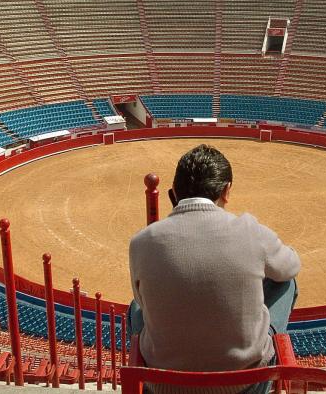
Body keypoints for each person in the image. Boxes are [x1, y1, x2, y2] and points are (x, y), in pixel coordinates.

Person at [128, 144, 300, 390]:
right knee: (286, 282)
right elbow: (291, 267)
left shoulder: (141, 242)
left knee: (135, 306)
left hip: (165, 385)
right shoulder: (250, 230)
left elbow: (142, 303)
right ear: (226, 191)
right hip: (243, 384)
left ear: (174, 192)